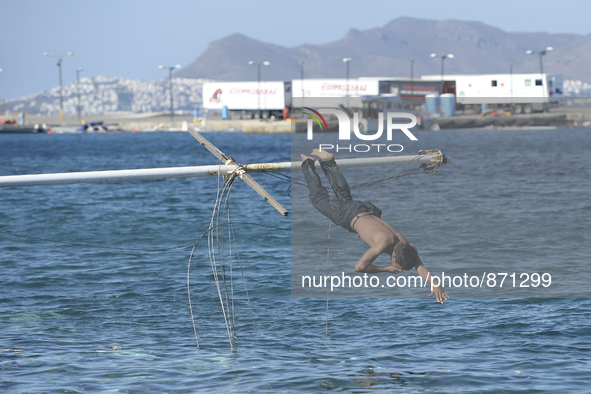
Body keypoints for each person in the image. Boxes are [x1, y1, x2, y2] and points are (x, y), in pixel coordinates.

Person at [301, 148, 449, 303]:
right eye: (396, 264)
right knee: (318, 198)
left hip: (366, 210)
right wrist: (386, 269)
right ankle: (307, 163)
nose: (396, 268)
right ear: (393, 256)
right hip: (351, 216)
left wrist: (435, 283)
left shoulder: (408, 247)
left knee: (344, 197)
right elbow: (359, 267)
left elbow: (420, 268)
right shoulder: (384, 244)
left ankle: (328, 161)